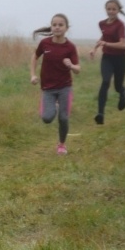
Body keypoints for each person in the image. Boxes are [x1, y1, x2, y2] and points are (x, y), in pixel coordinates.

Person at [30, 14, 80, 154]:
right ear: (51, 27)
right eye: (54, 25)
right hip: (48, 88)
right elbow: (35, 57)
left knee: (63, 118)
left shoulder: (70, 47)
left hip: (65, 86)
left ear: (66, 28)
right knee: (47, 118)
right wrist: (33, 75)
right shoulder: (45, 43)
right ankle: (54, 106)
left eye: (60, 25)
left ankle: (61, 144)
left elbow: (78, 69)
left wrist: (71, 65)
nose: (57, 27)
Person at [90, 0, 125, 124]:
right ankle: (100, 114)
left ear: (118, 10)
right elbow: (104, 36)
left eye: (114, 9)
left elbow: (123, 44)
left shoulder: (120, 25)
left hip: (120, 59)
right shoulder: (101, 23)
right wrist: (95, 48)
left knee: (118, 87)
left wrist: (106, 43)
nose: (111, 11)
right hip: (107, 57)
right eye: (109, 9)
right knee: (105, 81)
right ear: (105, 9)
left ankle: (123, 92)